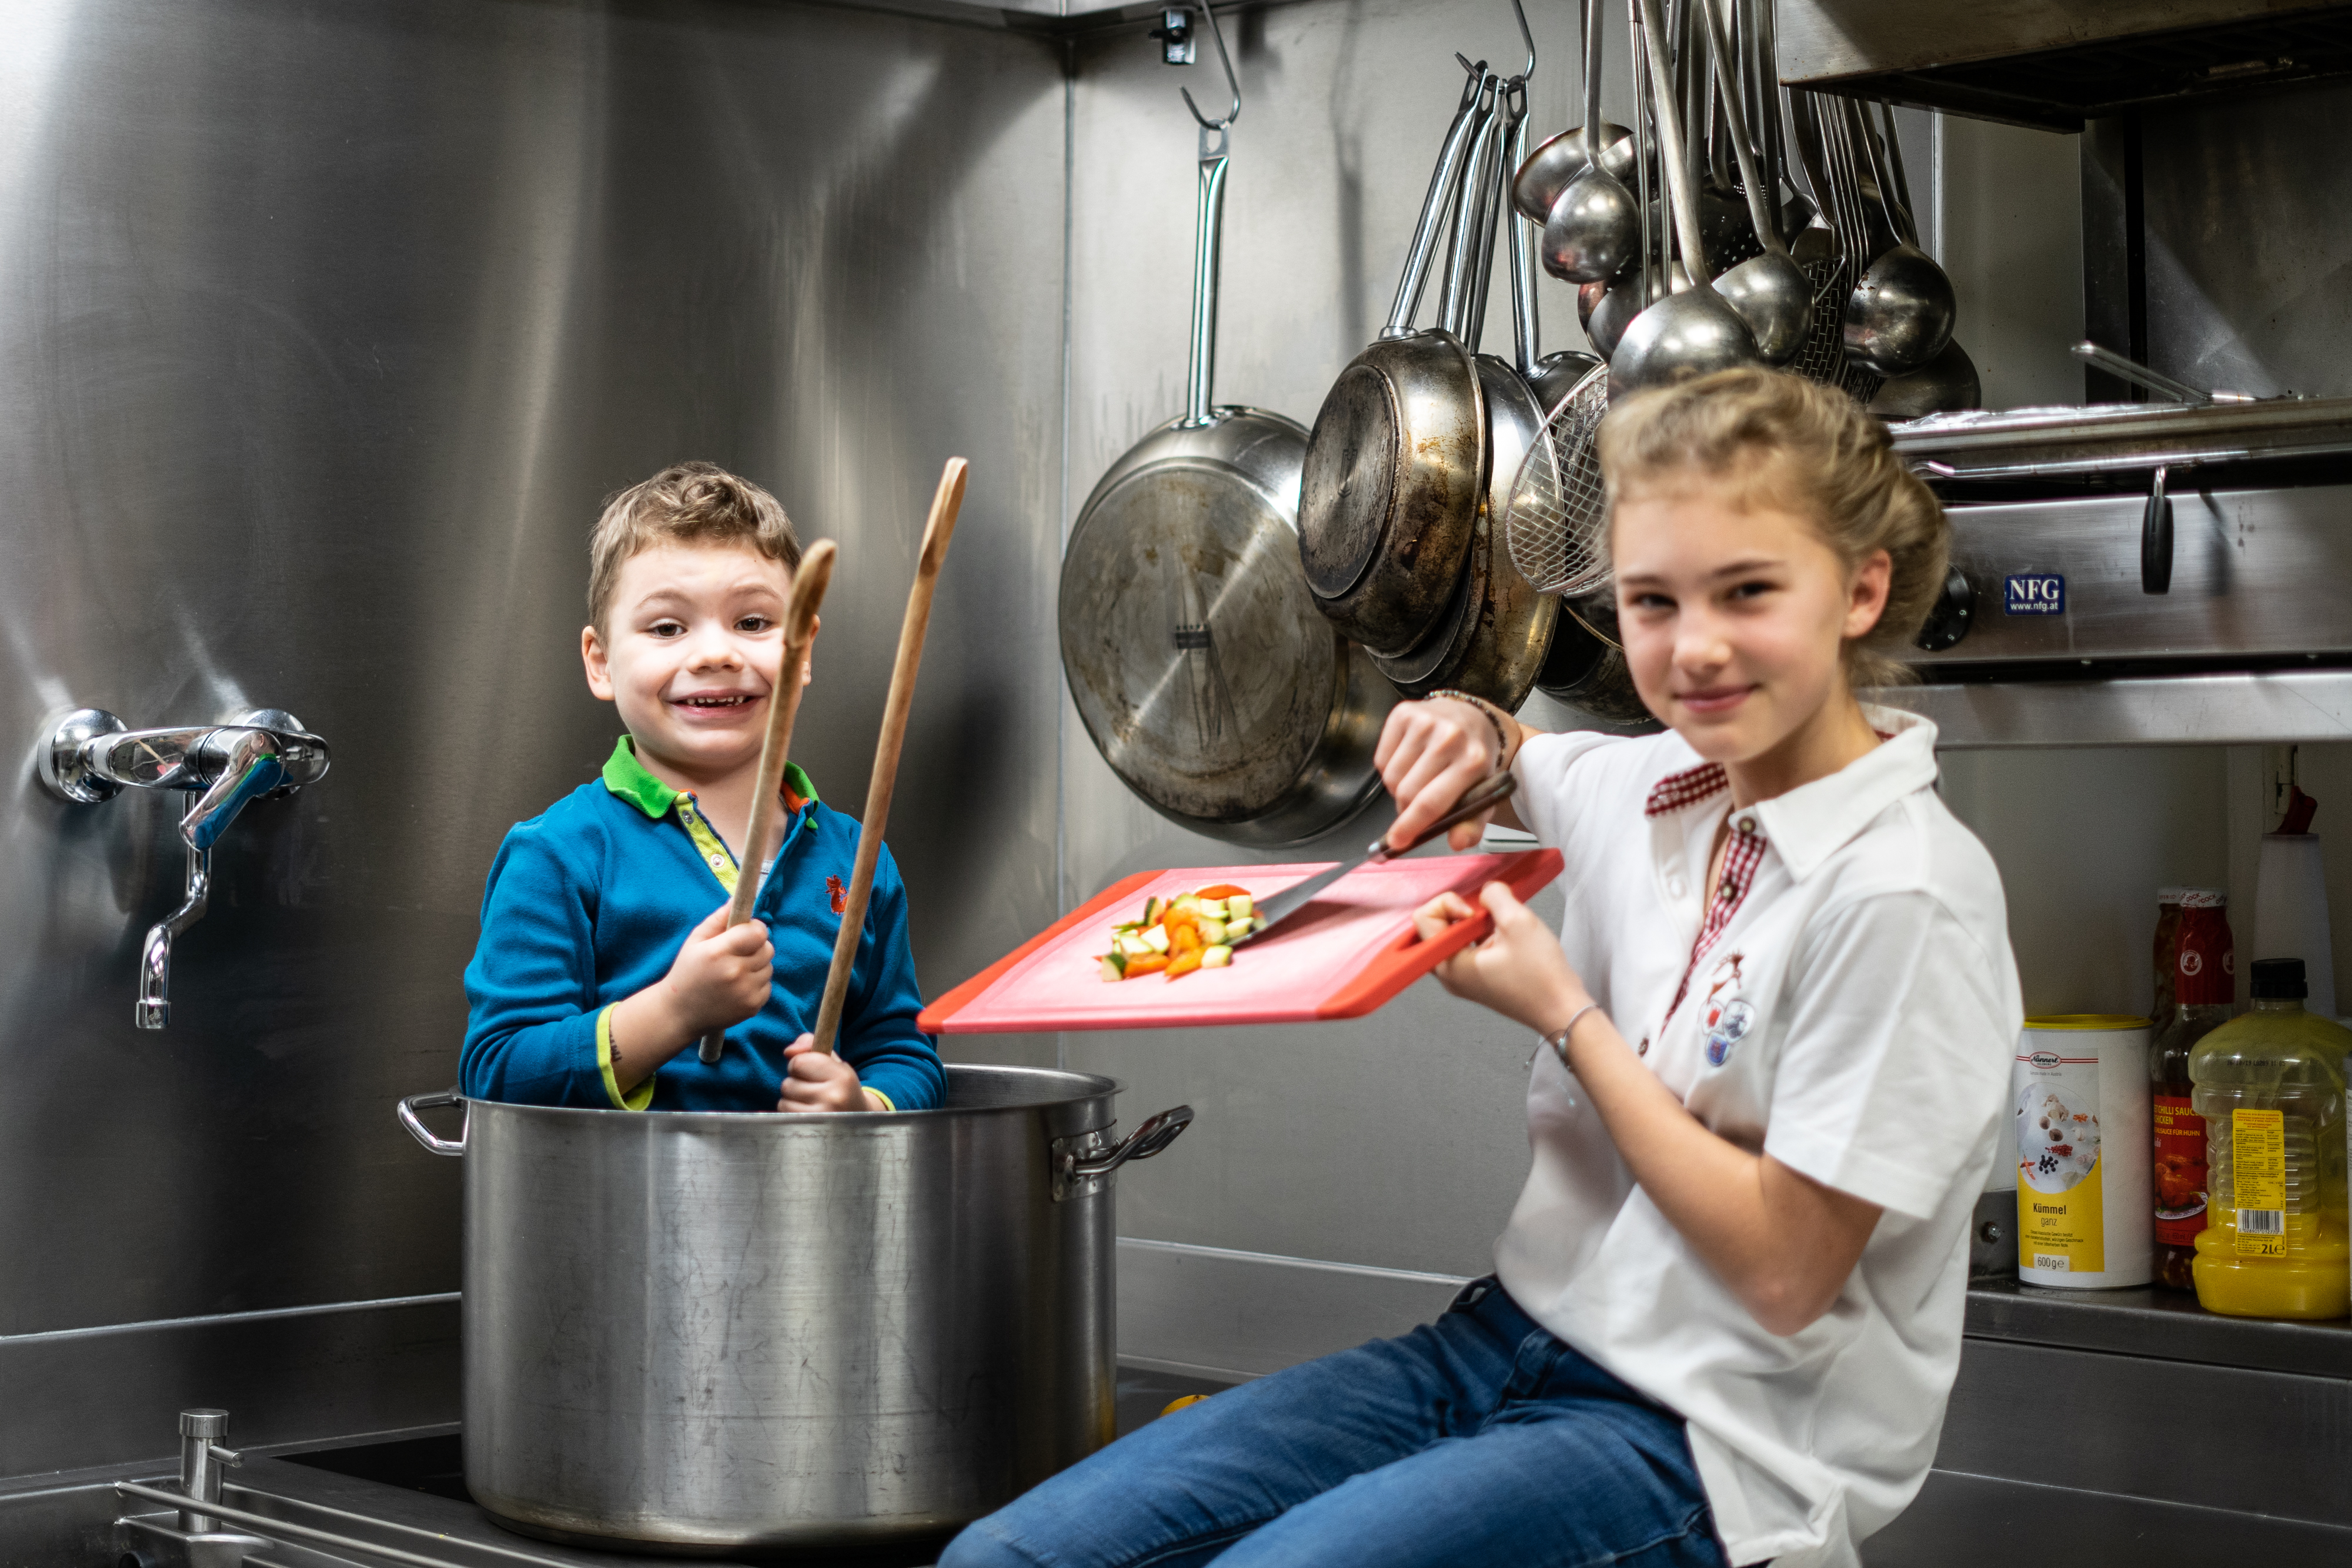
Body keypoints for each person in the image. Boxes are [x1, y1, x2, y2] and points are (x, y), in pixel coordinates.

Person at [940, 369, 2020, 1568]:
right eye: (1652, 601)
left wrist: (1566, 1016)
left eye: (1748, 591)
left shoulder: (1903, 893)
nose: (1695, 646)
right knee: (1004, 1558)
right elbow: (1517, 754)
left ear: (1859, 587)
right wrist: (1463, 720)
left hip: (1711, 1439)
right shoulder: (1660, 779)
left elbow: (1780, 1273)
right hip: (1495, 1344)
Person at [460, 462, 944, 1114]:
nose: (716, 653)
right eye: (667, 628)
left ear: (803, 653)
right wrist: (675, 1010)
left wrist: (866, 1105)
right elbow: (497, 1073)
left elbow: (903, 1050)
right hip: (617, 1211)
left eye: (753, 623)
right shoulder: (559, 854)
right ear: (600, 662)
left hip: (818, 1211)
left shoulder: (857, 859)